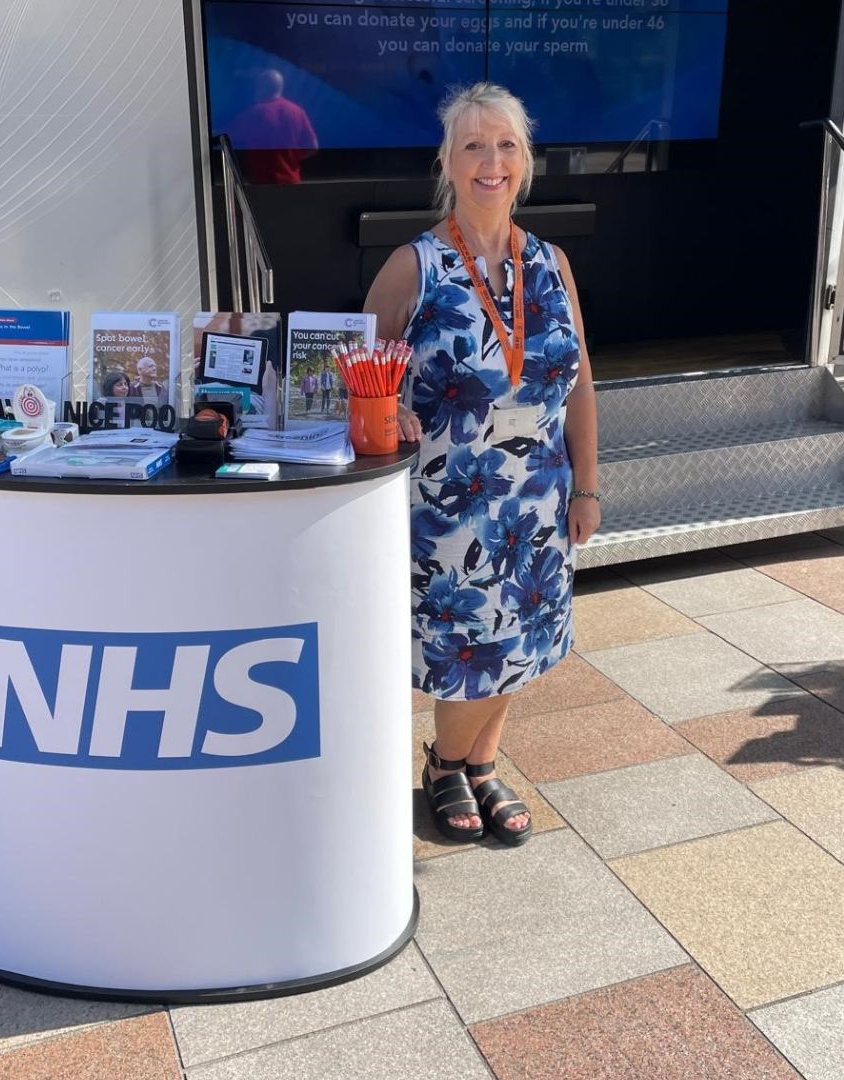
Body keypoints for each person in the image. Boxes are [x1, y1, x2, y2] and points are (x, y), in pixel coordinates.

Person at [364, 82, 601, 847]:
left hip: (540, 497)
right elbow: (357, 377)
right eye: (473, 146)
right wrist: (384, 408)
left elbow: (581, 386)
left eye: (505, 145)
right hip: (453, 504)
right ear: (447, 161)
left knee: (523, 644)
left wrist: (588, 486)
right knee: (470, 649)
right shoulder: (416, 267)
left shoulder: (553, 264)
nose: (489, 162)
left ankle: (482, 764)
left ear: (525, 161)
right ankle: (445, 765)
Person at [225, 69, 319, 186]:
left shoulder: (255, 113)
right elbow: (313, 146)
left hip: (263, 183)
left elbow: (226, 137)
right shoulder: (298, 112)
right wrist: (291, 159)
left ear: (262, 87)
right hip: (292, 182)